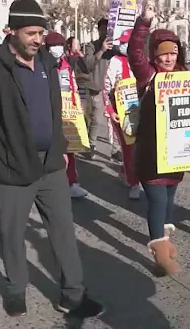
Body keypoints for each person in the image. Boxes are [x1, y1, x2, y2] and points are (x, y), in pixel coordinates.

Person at [0, 0, 103, 318]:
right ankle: (15, 289)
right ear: (12, 31)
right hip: (13, 167)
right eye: (31, 32)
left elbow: (55, 109)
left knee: (64, 231)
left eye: (41, 32)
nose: (38, 38)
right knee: (12, 234)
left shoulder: (46, 61)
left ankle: (73, 295)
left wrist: (62, 150)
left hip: (51, 164)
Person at [127, 1, 185, 276]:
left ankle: (165, 243)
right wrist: (143, 22)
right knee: (158, 201)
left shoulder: (186, 77)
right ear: (155, 56)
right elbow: (134, 52)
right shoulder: (147, 75)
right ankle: (161, 255)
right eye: (163, 54)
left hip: (178, 153)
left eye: (173, 53)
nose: (168, 59)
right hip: (151, 153)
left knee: (170, 200)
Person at [45, 31, 93, 199]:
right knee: (52, 152)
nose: (56, 50)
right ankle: (51, 186)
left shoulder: (67, 65)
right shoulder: (42, 64)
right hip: (48, 115)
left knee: (70, 149)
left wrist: (78, 105)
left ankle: (72, 183)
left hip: (68, 113)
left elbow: (73, 83)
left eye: (59, 46)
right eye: (53, 47)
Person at [103, 28, 142, 200]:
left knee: (140, 147)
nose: (124, 45)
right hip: (122, 110)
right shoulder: (115, 62)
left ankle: (125, 171)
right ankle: (134, 182)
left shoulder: (142, 61)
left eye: (128, 42)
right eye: (123, 42)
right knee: (129, 147)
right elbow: (106, 88)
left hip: (142, 108)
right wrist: (110, 111)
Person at [82, 18, 113, 159]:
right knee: (96, 118)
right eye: (103, 29)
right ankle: (91, 144)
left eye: (108, 29)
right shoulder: (91, 46)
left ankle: (117, 149)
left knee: (116, 119)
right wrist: (101, 50)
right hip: (97, 87)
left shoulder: (116, 47)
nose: (105, 32)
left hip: (113, 88)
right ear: (99, 30)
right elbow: (88, 64)